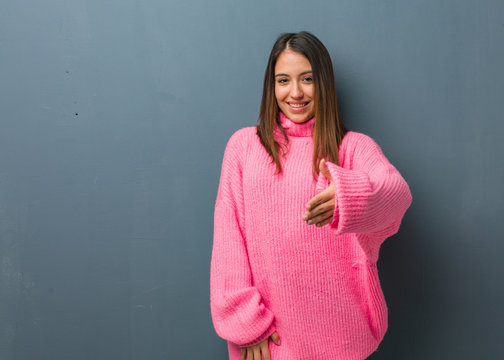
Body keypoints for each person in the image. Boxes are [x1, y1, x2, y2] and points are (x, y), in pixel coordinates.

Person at [210, 31, 412, 360]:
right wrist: (246, 324)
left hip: (342, 339)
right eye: (283, 80)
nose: (295, 92)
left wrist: (350, 197)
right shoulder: (244, 147)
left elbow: (396, 194)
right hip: (269, 340)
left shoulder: (352, 148)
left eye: (307, 79)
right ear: (271, 86)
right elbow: (228, 242)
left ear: (324, 83)